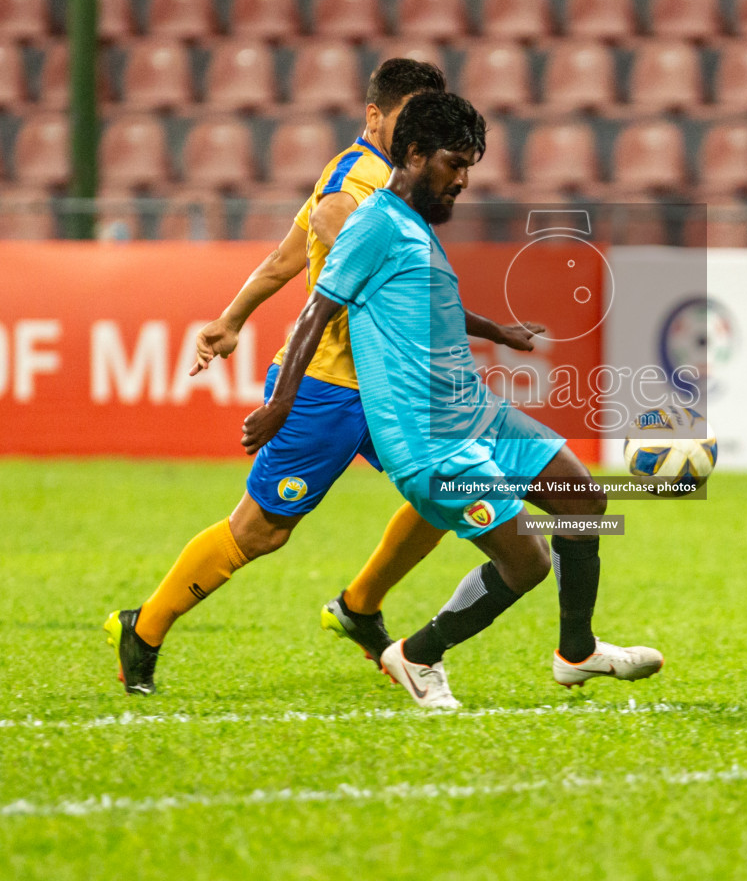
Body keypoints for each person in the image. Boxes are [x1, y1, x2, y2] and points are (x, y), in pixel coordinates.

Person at [104, 60, 539, 695]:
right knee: (261, 531)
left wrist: (231, 319)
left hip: (391, 383)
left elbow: (287, 255)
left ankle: (359, 605)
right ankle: (145, 626)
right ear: (376, 117)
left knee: (443, 485)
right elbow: (335, 253)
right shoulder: (351, 181)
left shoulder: (400, 183)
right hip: (331, 387)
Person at [242, 91, 662, 709]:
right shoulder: (375, 224)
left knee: (584, 498)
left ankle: (577, 652)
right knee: (528, 563)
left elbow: (431, 309)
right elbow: (317, 309)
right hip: (428, 441)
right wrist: (281, 401)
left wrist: (498, 333)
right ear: (413, 153)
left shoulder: (413, 229)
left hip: (478, 414)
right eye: (455, 164)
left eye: (469, 166)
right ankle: (416, 655)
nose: (464, 180)